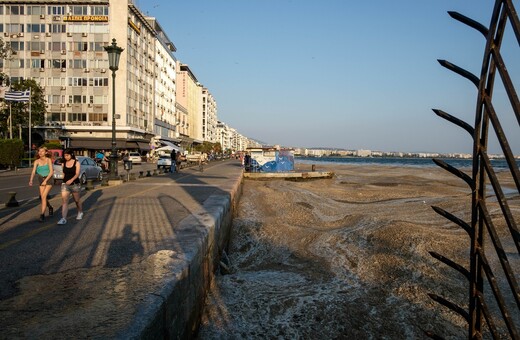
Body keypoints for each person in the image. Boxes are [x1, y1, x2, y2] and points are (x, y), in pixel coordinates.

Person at [57, 149, 83, 225]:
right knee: (64, 201)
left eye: (67, 155)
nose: (66, 157)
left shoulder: (76, 163)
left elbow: (77, 174)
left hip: (75, 184)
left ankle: (80, 212)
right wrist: (62, 181)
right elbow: (64, 173)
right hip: (65, 184)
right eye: (65, 155)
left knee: (77, 200)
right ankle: (63, 218)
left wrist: (71, 180)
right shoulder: (63, 163)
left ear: (71, 154)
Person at [29, 146, 54, 222]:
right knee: (44, 197)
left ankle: (42, 214)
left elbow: (51, 172)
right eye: (39, 151)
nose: (40, 153)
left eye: (42, 151)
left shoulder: (48, 160)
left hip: (48, 179)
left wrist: (45, 181)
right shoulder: (36, 161)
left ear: (46, 152)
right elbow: (33, 171)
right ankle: (50, 207)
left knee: (43, 196)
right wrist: (31, 180)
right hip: (40, 179)